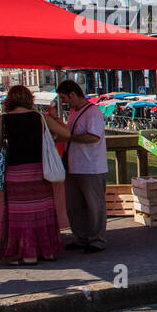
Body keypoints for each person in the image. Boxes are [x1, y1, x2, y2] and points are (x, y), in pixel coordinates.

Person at [0, 85, 64, 265]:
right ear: (30, 99)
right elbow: (66, 133)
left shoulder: (3, 119)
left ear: (9, 100)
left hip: (16, 172)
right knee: (41, 210)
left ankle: (26, 254)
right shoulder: (40, 118)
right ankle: (46, 252)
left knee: (20, 214)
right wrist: (53, 123)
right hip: (39, 170)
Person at [47, 80, 107, 253]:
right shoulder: (74, 112)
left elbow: (93, 137)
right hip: (74, 165)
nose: (64, 102)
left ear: (73, 94)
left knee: (94, 205)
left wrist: (69, 138)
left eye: (65, 98)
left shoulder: (93, 112)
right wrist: (57, 122)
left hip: (92, 166)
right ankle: (81, 237)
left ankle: (97, 239)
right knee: (74, 206)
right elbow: (69, 131)